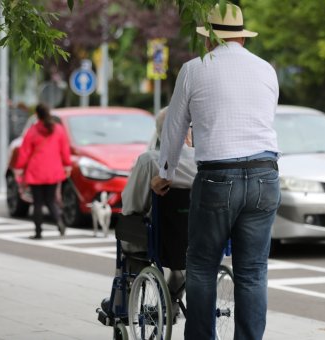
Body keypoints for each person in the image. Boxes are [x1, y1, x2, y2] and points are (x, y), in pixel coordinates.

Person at [150, 3, 280, 339]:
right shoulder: (266, 69)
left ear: (208, 39)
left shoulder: (194, 69)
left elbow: (174, 128)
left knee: (202, 266)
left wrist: (164, 173)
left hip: (218, 177)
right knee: (252, 272)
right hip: (266, 174)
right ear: (242, 39)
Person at [120, 107, 196, 305]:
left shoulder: (150, 161)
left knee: (129, 237)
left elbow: (131, 205)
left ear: (161, 133)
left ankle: (122, 302)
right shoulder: (204, 162)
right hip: (200, 236)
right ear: (188, 132)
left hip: (162, 238)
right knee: (184, 258)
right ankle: (171, 300)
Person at [14, 104, 71, 239]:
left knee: (38, 203)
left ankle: (38, 232)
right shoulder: (58, 130)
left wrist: (19, 168)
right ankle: (59, 221)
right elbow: (65, 149)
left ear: (37, 115)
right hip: (53, 170)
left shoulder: (32, 131)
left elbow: (24, 152)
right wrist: (67, 165)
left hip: (36, 171)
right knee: (51, 200)